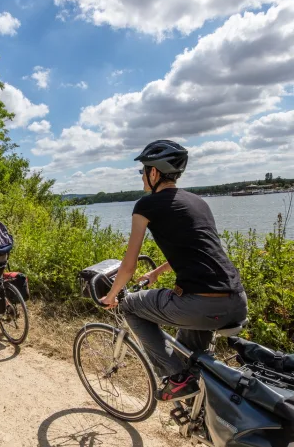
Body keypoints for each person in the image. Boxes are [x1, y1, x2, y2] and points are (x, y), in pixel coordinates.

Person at [99, 140, 248, 402]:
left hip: (200, 304)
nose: (141, 177)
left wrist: (112, 295)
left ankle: (177, 379)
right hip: (236, 300)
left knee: (130, 306)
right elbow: (201, 250)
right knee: (187, 354)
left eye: (142, 171)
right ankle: (200, 407)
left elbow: (129, 265)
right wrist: (158, 271)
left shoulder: (146, 205)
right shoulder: (198, 201)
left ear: (153, 173)